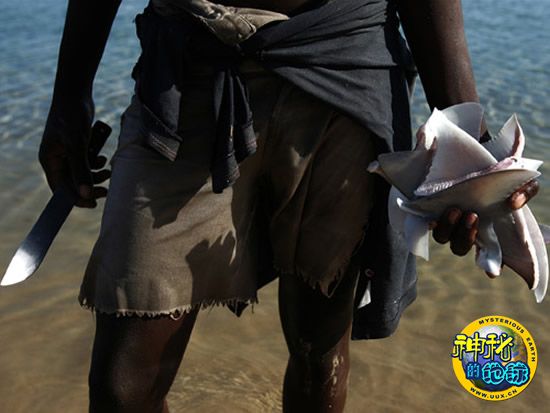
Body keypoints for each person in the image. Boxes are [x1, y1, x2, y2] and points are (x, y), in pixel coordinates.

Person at [38, 0, 539, 412]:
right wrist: (69, 94)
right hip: (186, 70)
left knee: (318, 355)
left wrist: (472, 150)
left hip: (345, 68)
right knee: (122, 387)